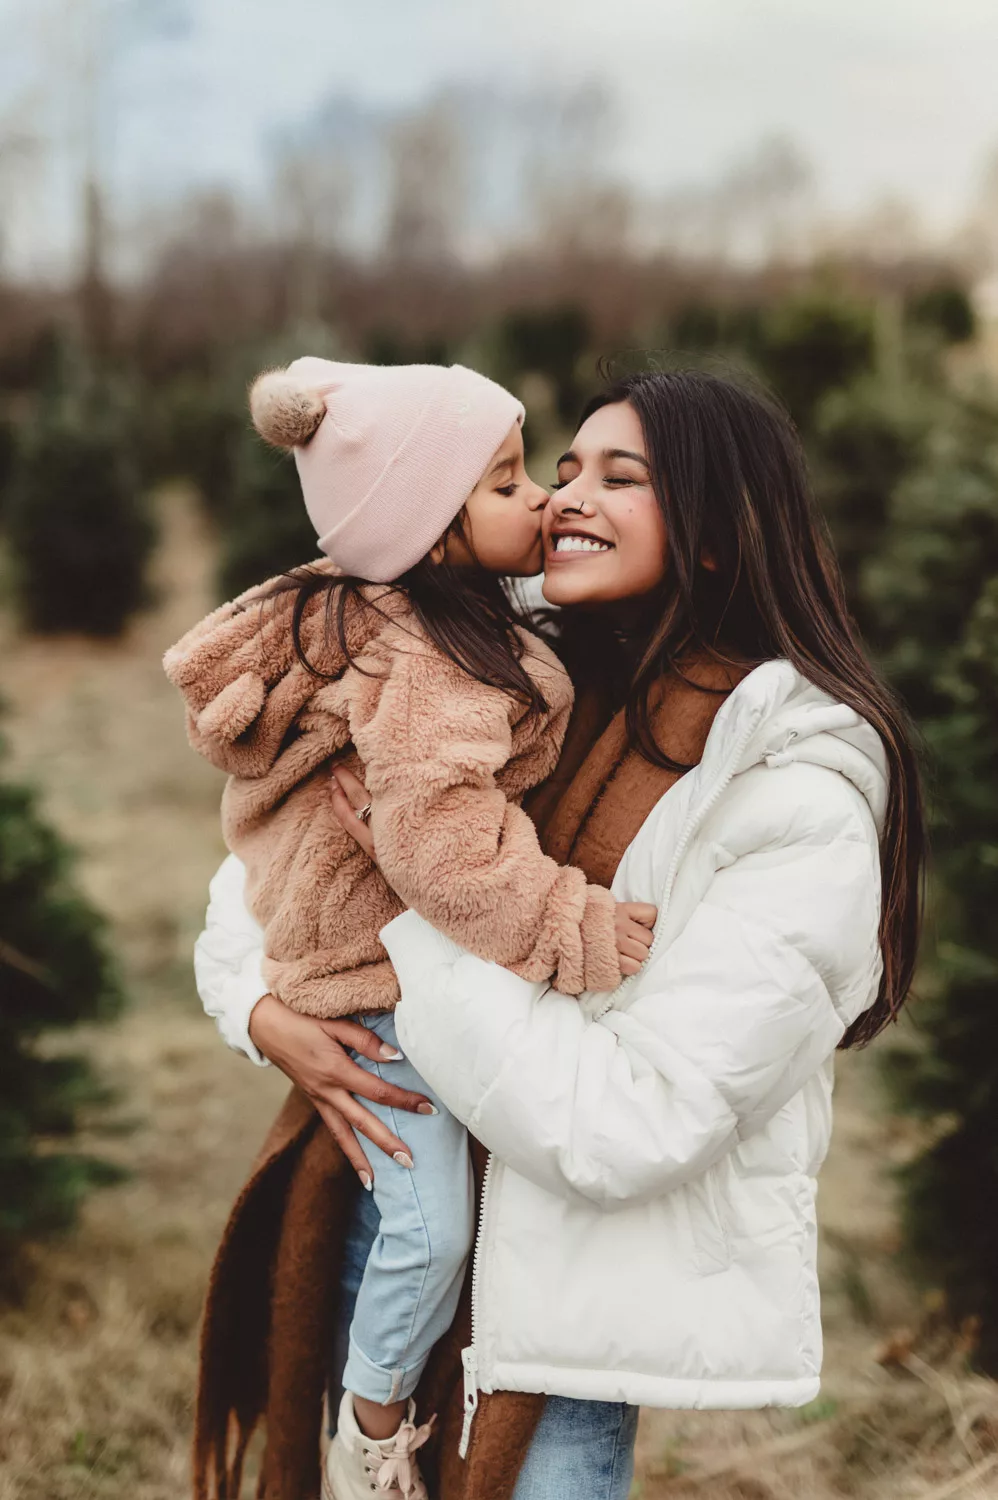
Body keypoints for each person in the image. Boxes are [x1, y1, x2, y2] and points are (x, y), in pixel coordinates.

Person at [193, 368, 925, 1500]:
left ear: (720, 535)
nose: (561, 497)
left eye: (616, 477)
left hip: (554, 1328)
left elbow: (636, 1119)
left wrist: (413, 924)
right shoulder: (490, 660)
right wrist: (262, 1010)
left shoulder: (791, 791)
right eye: (559, 467)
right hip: (374, 1201)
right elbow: (272, 870)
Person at [164, 357, 655, 1500]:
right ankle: (372, 1427)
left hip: (391, 984)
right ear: (431, 534)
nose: (545, 499)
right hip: (379, 991)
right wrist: (571, 927)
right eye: (509, 482)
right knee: (428, 1231)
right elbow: (441, 853)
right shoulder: (428, 658)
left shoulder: (441, 615)